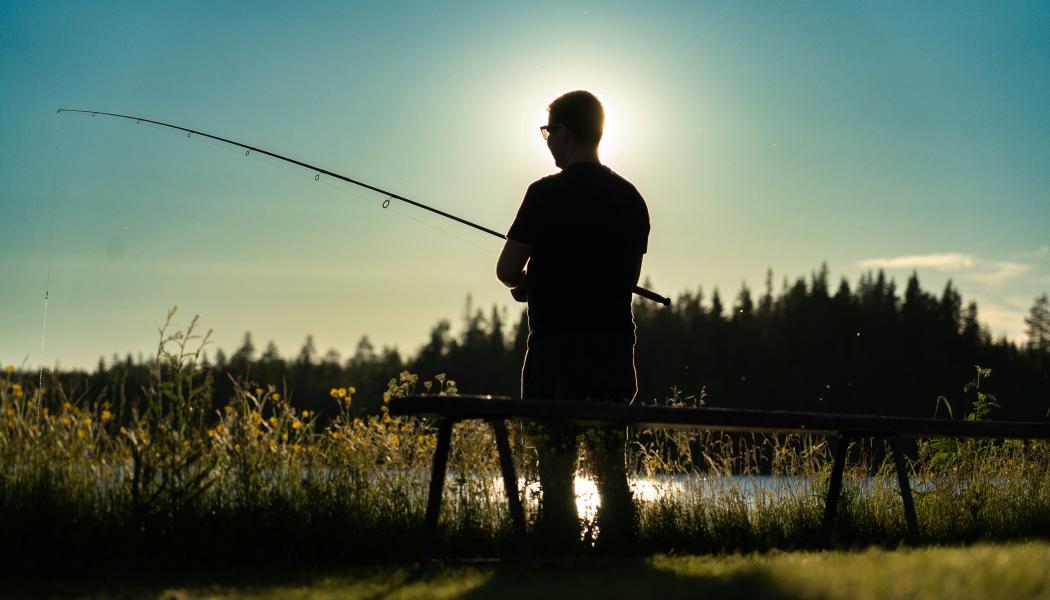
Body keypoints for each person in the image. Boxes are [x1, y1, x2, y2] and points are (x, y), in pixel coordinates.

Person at [495, 90, 650, 554]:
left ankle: (556, 548)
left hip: (555, 350)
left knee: (554, 462)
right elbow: (623, 277)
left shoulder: (544, 194)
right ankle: (620, 551)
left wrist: (527, 283)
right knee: (609, 461)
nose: (546, 141)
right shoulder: (631, 198)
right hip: (612, 347)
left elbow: (506, 269)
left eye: (547, 132)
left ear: (563, 131)